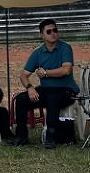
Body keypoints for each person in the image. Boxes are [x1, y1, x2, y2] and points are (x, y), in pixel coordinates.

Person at [10, 19, 80, 149]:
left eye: (55, 30)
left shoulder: (65, 47)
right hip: (46, 90)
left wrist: (46, 73)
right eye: (49, 31)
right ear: (42, 35)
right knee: (21, 99)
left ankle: (51, 137)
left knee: (52, 98)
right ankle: (21, 136)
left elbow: (66, 70)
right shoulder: (38, 52)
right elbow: (23, 75)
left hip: (67, 90)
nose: (53, 33)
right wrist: (30, 88)